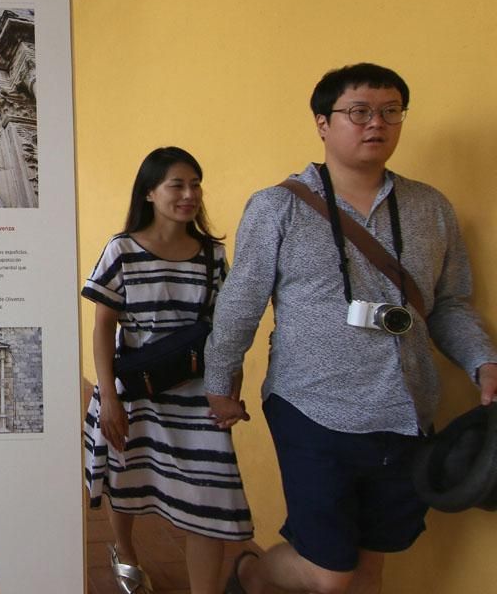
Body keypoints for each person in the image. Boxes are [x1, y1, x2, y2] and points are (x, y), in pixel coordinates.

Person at [205, 63, 497, 594]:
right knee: (330, 574)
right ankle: (252, 572)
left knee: (370, 565)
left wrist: (482, 360)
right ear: (322, 122)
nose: (375, 124)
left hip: (408, 411)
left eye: (390, 112)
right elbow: (239, 306)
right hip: (313, 407)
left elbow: (449, 303)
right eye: (358, 112)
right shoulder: (278, 207)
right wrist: (222, 384)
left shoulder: (430, 207)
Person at [83, 147, 253, 594]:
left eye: (195, 183)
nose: (189, 194)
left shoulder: (212, 257)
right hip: (135, 390)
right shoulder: (122, 249)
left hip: (196, 393)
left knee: (210, 500)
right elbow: (103, 328)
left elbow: (225, 328)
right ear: (151, 192)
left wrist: (230, 389)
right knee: (127, 476)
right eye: (177, 184)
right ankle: (125, 549)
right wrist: (110, 398)